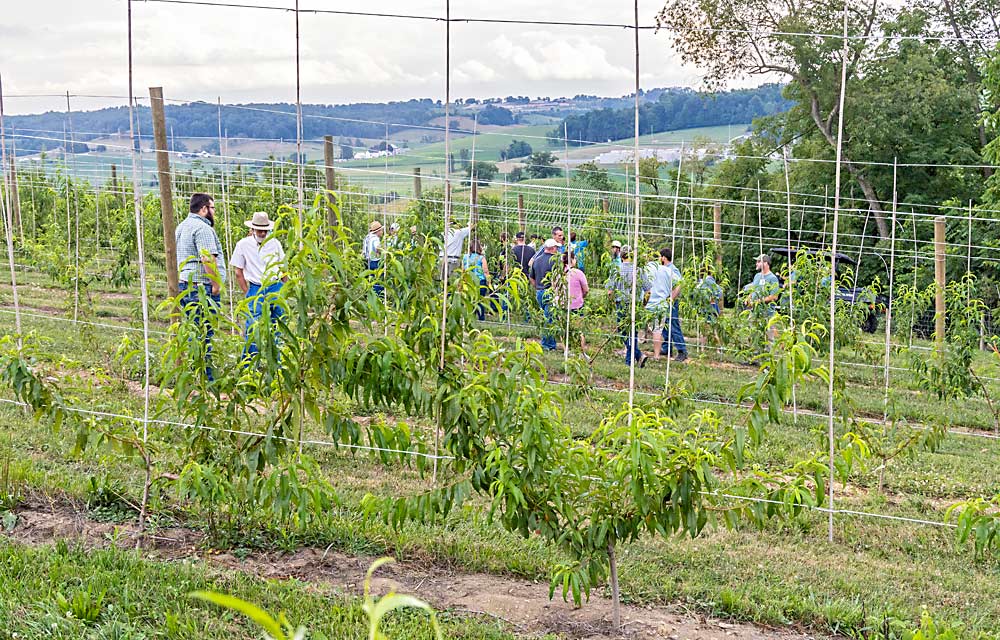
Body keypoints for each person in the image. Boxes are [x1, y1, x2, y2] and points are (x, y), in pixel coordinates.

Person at [175, 192, 226, 381]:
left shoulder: (181, 227)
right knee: (204, 334)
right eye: (212, 208)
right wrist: (216, 285)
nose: (214, 213)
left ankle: (194, 375)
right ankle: (206, 379)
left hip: (185, 286)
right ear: (204, 209)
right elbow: (207, 259)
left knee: (193, 332)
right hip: (201, 288)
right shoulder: (202, 229)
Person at [230, 211, 286, 359]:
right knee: (255, 327)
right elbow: (238, 272)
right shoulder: (244, 244)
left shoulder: (274, 242)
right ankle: (249, 366)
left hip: (275, 286)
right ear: (252, 229)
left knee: (275, 326)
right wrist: (247, 292)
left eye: (264, 230)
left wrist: (286, 288)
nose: (262, 232)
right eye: (259, 229)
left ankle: (275, 364)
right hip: (257, 287)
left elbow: (283, 268)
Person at [606, 244, 650, 367]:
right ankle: (638, 355)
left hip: (621, 304)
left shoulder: (616, 270)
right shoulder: (639, 270)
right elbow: (648, 290)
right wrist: (644, 304)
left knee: (623, 331)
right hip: (635, 304)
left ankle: (629, 361)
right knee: (633, 333)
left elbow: (610, 291)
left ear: (621, 256)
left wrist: (612, 302)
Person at [646, 247, 688, 362]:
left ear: (663, 258)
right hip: (664, 300)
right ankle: (666, 347)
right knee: (664, 326)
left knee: (673, 325)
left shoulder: (672, 269)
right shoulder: (663, 268)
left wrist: (671, 299)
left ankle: (682, 350)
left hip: (671, 301)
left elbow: (679, 284)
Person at [529, 238, 560, 351]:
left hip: (539, 292)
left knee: (545, 317)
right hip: (549, 291)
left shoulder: (537, 260)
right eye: (556, 247)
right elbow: (557, 278)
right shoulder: (554, 261)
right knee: (550, 318)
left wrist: (537, 287)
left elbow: (531, 277)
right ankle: (548, 344)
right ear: (552, 248)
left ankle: (547, 342)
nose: (557, 249)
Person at [563, 251, 589, 350]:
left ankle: (567, 350)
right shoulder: (578, 273)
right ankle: (581, 351)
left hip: (562, 305)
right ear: (572, 260)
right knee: (579, 330)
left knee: (565, 329)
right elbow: (586, 289)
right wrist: (581, 296)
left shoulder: (558, 272)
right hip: (576, 305)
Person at [462, 239, 491, 321]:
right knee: (480, 301)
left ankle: (470, 318)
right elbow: (485, 271)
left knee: (470, 300)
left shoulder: (465, 257)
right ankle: (481, 319)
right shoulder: (481, 258)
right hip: (480, 282)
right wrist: (489, 282)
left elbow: (463, 271)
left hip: (469, 281)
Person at [362, 220, 384, 294]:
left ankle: (370, 295)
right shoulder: (375, 238)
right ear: (378, 231)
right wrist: (384, 251)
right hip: (375, 262)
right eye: (381, 230)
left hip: (367, 260)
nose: (382, 232)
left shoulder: (367, 237)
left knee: (370, 279)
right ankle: (378, 296)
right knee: (378, 280)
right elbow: (378, 248)